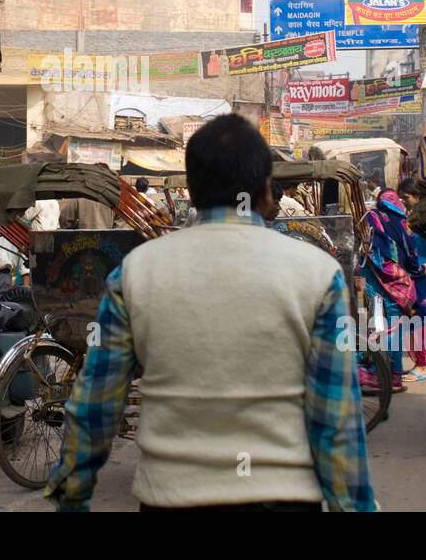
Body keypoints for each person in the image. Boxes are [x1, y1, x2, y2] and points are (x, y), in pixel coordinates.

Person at [45, 114, 376, 512]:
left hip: (171, 497)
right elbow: (336, 420)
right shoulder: (319, 276)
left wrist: (71, 497)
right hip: (283, 497)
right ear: (268, 192)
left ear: (194, 191)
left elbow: (94, 405)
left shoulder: (135, 273)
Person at [360, 186, 426, 391]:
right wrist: (419, 270)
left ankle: (385, 371)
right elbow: (411, 257)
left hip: (374, 276)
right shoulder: (403, 223)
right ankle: (394, 373)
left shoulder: (371, 217)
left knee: (381, 324)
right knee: (393, 326)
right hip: (401, 283)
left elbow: (364, 247)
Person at [395, 178, 426, 382]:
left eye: (406, 198)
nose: (404, 202)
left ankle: (423, 365)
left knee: (419, 320)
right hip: (420, 271)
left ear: (417, 196)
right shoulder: (415, 216)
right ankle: (424, 364)